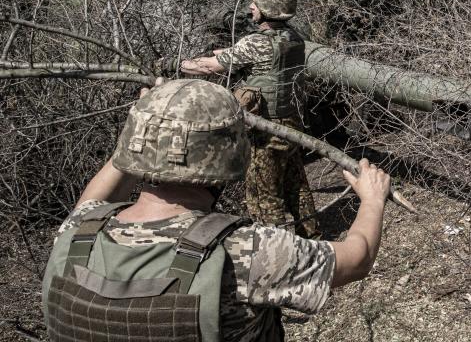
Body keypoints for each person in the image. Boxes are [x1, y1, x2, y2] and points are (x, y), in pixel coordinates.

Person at [41, 78, 390, 341]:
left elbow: (94, 199)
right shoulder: (245, 250)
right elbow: (356, 259)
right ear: (232, 155)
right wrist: (372, 200)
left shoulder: (78, 231)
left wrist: (149, 126)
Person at [171, 0, 318, 236]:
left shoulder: (253, 43)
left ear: (267, 9)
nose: (251, 7)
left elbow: (208, 67)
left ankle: (276, 250)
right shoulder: (295, 38)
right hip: (292, 122)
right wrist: (229, 52)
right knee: (296, 182)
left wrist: (175, 63)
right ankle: (312, 234)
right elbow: (253, 53)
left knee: (263, 194)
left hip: (266, 130)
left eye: (256, 4)